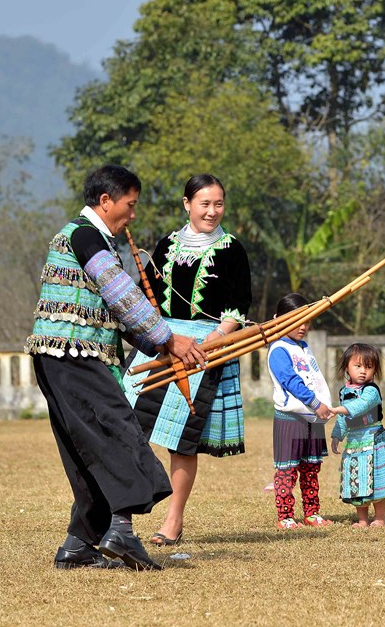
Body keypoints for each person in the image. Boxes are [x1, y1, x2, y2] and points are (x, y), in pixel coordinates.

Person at [25, 165, 206, 571]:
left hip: (61, 358)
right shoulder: (86, 236)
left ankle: (80, 542)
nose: (133, 214)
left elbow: (115, 315)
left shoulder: (88, 238)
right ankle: (121, 533)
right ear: (105, 201)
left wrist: (160, 346)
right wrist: (170, 338)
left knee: (87, 447)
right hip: (75, 356)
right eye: (130, 204)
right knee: (118, 434)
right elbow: (121, 294)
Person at [121, 173, 252, 546]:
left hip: (204, 349)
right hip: (161, 342)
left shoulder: (232, 249)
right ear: (187, 204)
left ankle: (172, 521)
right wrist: (152, 332)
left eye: (219, 204)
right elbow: (143, 297)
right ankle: (122, 513)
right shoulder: (165, 245)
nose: (212, 211)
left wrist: (217, 337)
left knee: (182, 439)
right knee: (127, 424)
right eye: (204, 204)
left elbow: (239, 305)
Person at [266, 293, 334, 528]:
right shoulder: (278, 349)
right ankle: (285, 516)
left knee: (310, 468)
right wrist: (316, 403)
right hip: (290, 418)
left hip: (312, 420)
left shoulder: (303, 347)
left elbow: (314, 378)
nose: (303, 326)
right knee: (287, 469)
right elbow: (291, 382)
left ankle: (312, 513)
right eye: (297, 321)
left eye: (307, 320)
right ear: (281, 320)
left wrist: (322, 405)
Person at [329, 343, 385, 527]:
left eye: (368, 367)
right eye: (358, 366)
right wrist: (337, 435)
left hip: (373, 438)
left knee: (375, 480)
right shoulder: (344, 392)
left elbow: (360, 406)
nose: (363, 371)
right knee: (357, 480)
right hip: (354, 442)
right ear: (347, 367)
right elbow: (344, 419)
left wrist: (339, 409)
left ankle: (380, 518)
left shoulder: (371, 391)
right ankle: (362, 520)